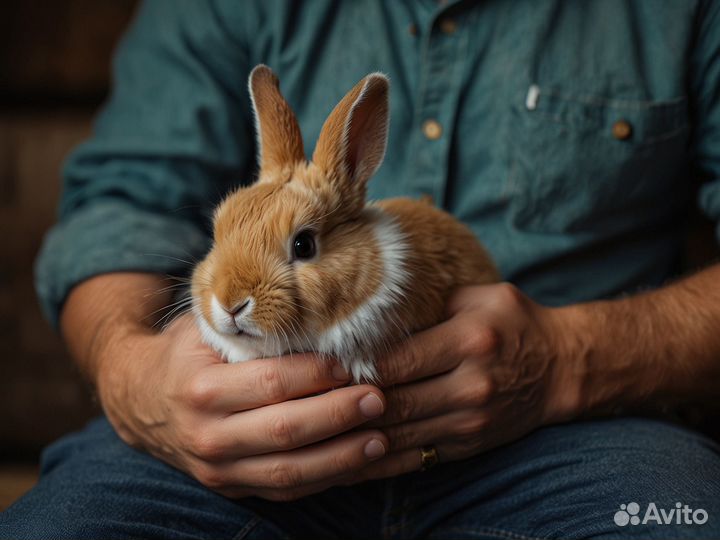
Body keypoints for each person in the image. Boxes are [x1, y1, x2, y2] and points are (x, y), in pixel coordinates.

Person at [2, 0, 720, 538]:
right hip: (237, 450)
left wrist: (568, 359)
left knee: (682, 519)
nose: (238, 295)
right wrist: (133, 371)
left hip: (568, 433)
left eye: (304, 247)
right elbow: (120, 197)